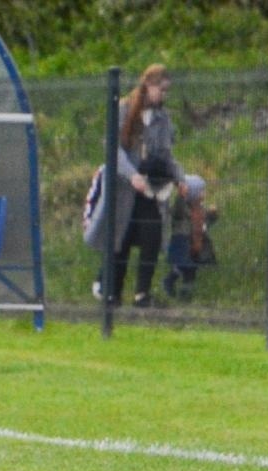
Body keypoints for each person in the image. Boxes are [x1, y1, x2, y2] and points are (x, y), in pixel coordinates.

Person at [83, 64, 189, 308]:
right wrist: (132, 176)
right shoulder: (123, 110)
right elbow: (113, 149)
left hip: (149, 188)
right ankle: (112, 293)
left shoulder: (163, 119)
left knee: (152, 235)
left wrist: (179, 177)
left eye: (167, 91)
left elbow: (165, 155)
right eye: (161, 90)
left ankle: (142, 295)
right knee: (121, 237)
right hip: (123, 188)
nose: (164, 95)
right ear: (149, 86)